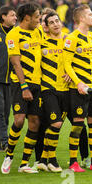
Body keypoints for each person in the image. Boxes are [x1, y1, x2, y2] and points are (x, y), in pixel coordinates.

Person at [63, 4, 92, 172]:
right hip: (78, 88)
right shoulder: (71, 38)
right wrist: (78, 83)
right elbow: (67, 63)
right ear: (81, 18)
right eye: (90, 14)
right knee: (77, 125)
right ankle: (73, 162)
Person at [1, 2, 43, 174]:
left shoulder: (38, 32)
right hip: (20, 84)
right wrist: (24, 86)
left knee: (34, 122)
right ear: (27, 17)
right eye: (37, 17)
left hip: (37, 83)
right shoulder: (13, 35)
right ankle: (9, 155)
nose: (39, 20)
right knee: (18, 120)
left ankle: (24, 164)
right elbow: (16, 63)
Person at [35, 11, 70, 172]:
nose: (56, 24)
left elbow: (76, 61)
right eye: (52, 22)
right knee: (55, 123)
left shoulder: (68, 41)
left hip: (66, 90)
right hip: (48, 88)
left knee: (55, 126)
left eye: (57, 21)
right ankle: (52, 160)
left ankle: (43, 159)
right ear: (46, 27)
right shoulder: (42, 43)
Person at [0, 6, 17, 152]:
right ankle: (5, 142)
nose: (15, 17)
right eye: (12, 15)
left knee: (6, 113)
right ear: (3, 17)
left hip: (8, 80)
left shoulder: (13, 34)